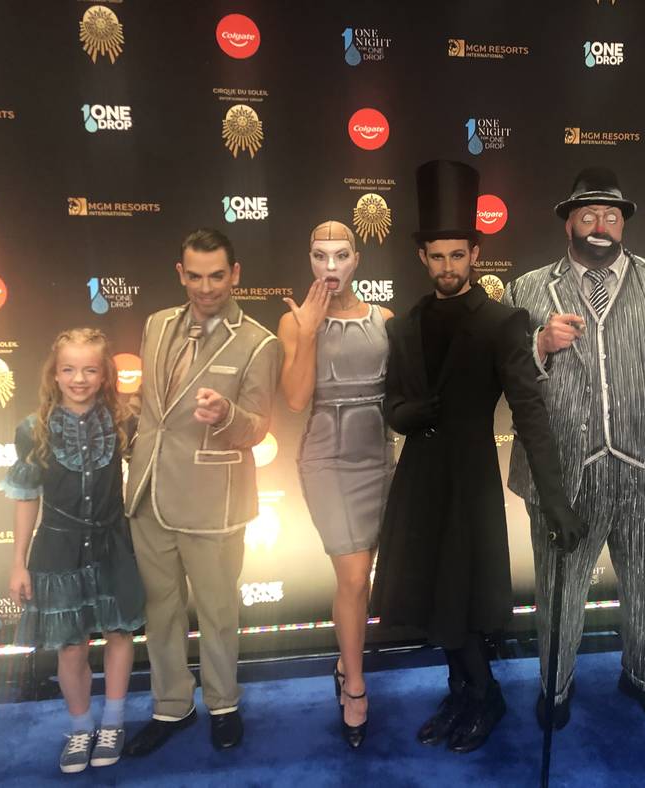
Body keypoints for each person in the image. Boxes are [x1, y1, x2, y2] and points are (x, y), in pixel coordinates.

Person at [372, 160, 583, 754]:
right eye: (437, 257)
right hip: (418, 480)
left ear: (475, 253)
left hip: (468, 480)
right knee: (431, 595)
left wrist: (557, 500)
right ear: (423, 258)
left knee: (459, 599)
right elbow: (390, 403)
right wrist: (405, 416)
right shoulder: (405, 326)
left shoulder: (501, 323)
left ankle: (484, 694)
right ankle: (461, 690)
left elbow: (531, 413)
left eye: (457, 256)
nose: (447, 267)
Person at [501, 166, 645, 730]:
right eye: (589, 215)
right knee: (560, 593)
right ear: (568, 222)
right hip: (568, 476)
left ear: (623, 225)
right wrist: (541, 344)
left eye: (612, 217)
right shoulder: (526, 289)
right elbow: (508, 379)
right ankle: (556, 686)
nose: (601, 226)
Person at [123, 228, 282, 755]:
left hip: (214, 503)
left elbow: (258, 426)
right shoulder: (156, 324)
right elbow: (154, 413)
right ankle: (172, 705)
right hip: (148, 494)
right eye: (195, 275)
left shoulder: (260, 341)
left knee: (217, 612)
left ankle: (223, 704)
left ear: (235, 274)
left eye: (217, 275)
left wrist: (227, 415)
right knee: (160, 611)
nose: (206, 287)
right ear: (180, 273)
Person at [1, 328, 145, 773]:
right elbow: (27, 499)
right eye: (69, 369)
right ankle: (81, 726)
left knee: (120, 634)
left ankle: (114, 722)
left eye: (89, 369)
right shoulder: (33, 428)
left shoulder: (124, 420)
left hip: (113, 543)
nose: (79, 378)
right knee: (71, 647)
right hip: (58, 550)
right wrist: (19, 562)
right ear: (54, 373)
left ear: (105, 374)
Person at [278, 220, 394, 749]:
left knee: (358, 578)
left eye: (340, 256)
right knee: (351, 574)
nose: (330, 267)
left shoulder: (385, 320)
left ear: (357, 260)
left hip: (377, 460)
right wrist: (305, 332)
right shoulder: (292, 322)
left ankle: (345, 661)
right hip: (326, 461)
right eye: (320, 255)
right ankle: (356, 684)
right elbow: (298, 400)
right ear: (308, 259)